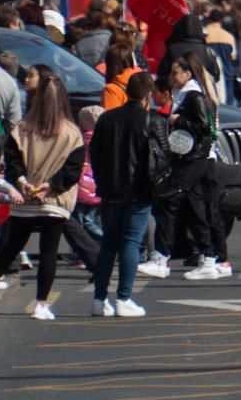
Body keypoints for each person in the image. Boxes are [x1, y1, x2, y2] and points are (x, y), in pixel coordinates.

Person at [0, 71, 85, 322]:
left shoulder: (22, 128)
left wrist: (22, 183)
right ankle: (41, 304)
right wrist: (50, 186)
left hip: (25, 198)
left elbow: (13, 161)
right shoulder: (72, 133)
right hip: (55, 201)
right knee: (48, 251)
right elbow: (72, 171)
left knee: (11, 247)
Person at [89, 71, 161, 318]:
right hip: (138, 190)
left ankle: (99, 299)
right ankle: (124, 298)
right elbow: (157, 159)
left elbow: (95, 154)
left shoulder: (107, 119)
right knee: (131, 242)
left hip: (110, 189)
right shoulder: (150, 121)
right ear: (148, 95)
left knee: (109, 243)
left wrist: (101, 182)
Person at [166, 53, 231, 280]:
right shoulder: (193, 91)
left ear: (188, 73)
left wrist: (177, 121)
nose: (171, 76)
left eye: (175, 72)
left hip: (202, 156)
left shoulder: (193, 94)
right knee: (200, 206)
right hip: (203, 155)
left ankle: (217, 258)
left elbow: (204, 126)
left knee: (202, 206)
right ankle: (211, 256)